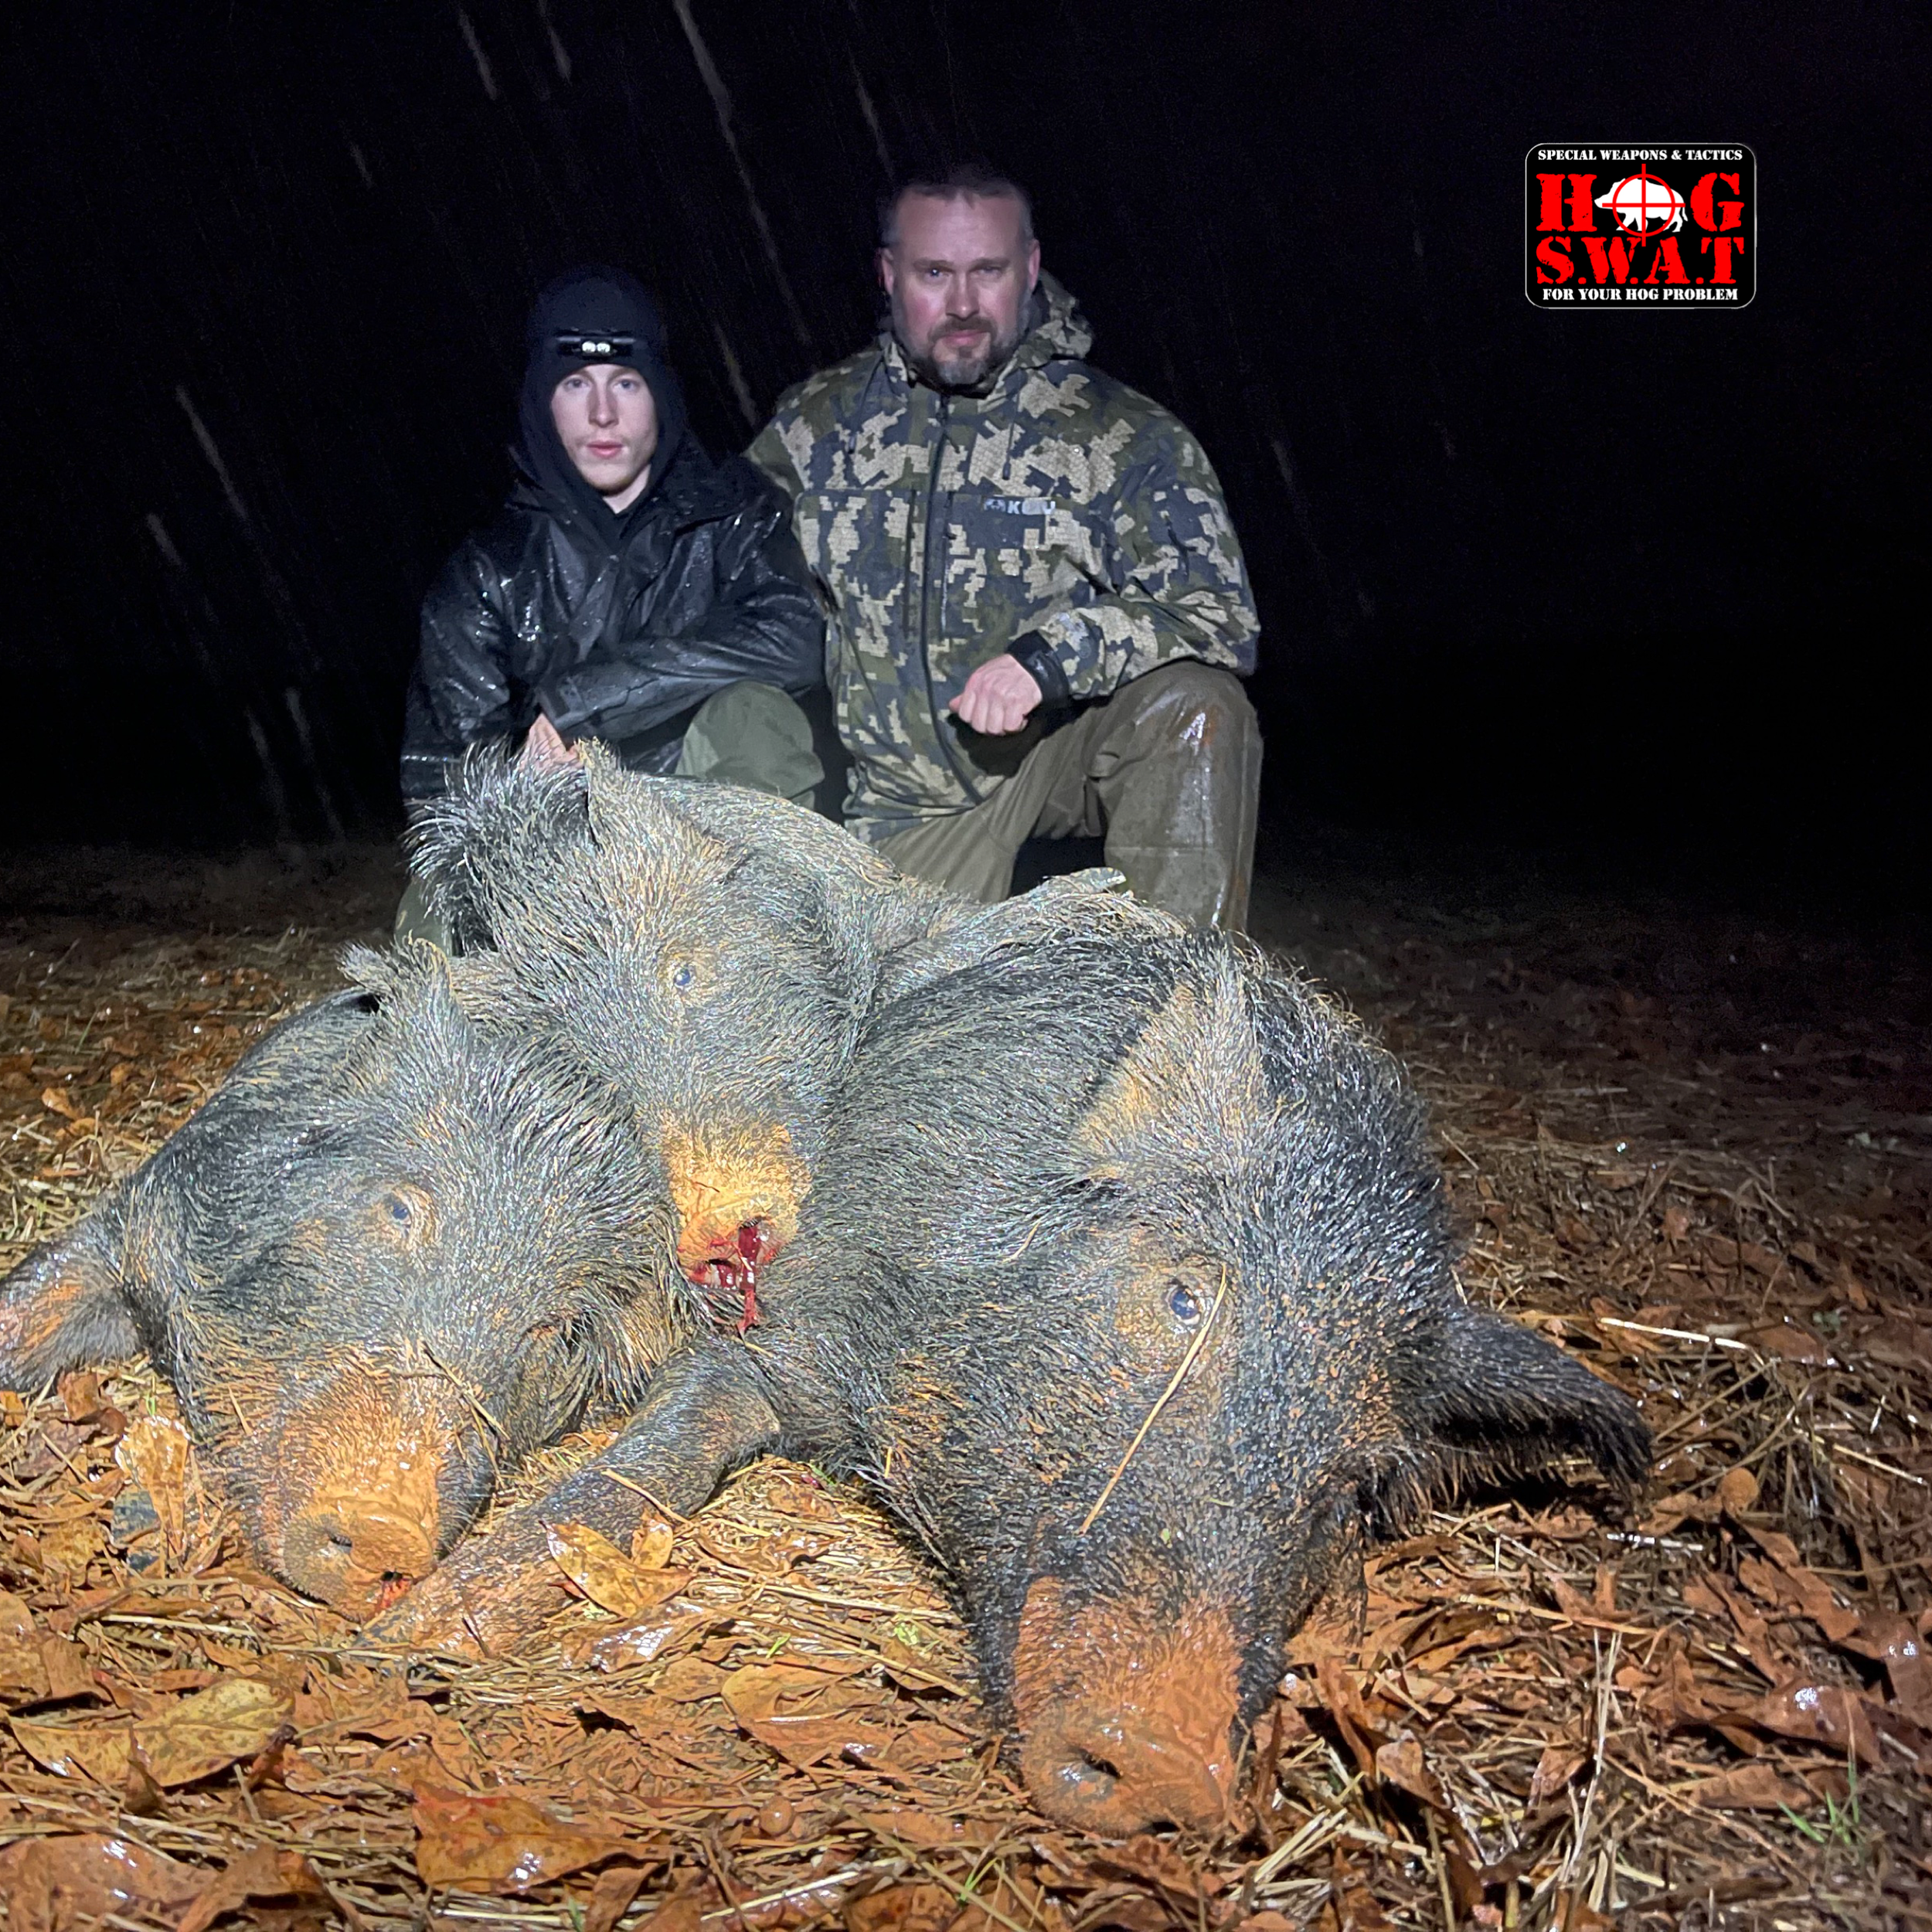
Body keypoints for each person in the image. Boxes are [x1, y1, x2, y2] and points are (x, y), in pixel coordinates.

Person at [747, 165, 1261, 930]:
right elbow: (712, 584)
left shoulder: (1116, 432)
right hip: (902, 805)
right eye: (934, 273)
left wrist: (1051, 659)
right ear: (889, 276)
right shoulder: (813, 426)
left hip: (1052, 756)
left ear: (1028, 269)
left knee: (1198, 708)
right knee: (900, 1040)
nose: (962, 305)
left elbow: (1216, 614)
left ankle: (1173, 1013)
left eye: (987, 271)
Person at [398, 266, 825, 937]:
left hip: (697, 845)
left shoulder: (735, 516)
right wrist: (527, 792)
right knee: (432, 912)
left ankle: (754, 981)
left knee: (758, 717)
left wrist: (581, 705)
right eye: (576, 385)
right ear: (544, 401)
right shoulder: (486, 572)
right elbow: (441, 785)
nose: (603, 414)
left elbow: (796, 640)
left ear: (661, 395)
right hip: (549, 854)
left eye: (626, 383)